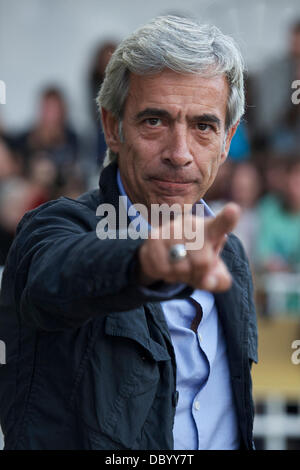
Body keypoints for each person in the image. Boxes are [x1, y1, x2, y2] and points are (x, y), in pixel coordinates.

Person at [0, 16, 258, 450]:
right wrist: (142, 263)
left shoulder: (228, 253)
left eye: (203, 126)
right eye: (155, 121)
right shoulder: (51, 228)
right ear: (111, 127)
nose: (179, 154)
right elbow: (55, 276)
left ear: (228, 139)